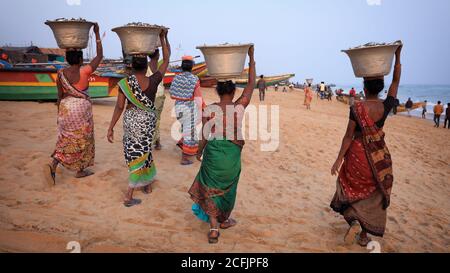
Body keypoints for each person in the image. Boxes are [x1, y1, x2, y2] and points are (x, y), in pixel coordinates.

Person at [330, 44, 402, 247]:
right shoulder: (386, 106)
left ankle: (353, 220)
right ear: (382, 88)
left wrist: (338, 159)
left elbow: (348, 136)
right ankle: (363, 235)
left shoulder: (356, 107)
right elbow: (396, 81)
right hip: (378, 156)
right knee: (373, 195)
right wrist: (397, 56)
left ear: (363, 87)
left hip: (356, 154)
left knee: (347, 186)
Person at [188, 45, 256, 244]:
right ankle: (222, 221)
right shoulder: (239, 106)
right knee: (228, 188)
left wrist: (199, 151)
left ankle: (214, 226)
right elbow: (251, 84)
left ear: (217, 91)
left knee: (210, 187)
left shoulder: (210, 109)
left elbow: (204, 135)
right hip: (232, 157)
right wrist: (251, 58)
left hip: (213, 155)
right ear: (234, 90)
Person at [107, 29, 170, 207]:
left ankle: (148, 184)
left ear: (132, 66)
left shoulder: (124, 84)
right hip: (146, 122)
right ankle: (128, 195)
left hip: (130, 121)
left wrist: (111, 127)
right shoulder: (153, 80)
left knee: (140, 152)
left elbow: (119, 106)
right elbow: (166, 60)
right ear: (145, 66)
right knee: (142, 152)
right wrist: (164, 38)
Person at [44, 23, 103, 186]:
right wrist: (97, 35)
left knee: (65, 139)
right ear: (80, 59)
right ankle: (80, 170)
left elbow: (60, 96)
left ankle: (53, 164)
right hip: (79, 110)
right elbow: (100, 56)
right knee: (83, 139)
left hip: (64, 109)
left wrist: (60, 115)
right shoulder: (84, 71)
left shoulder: (61, 73)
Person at [170, 56, 206, 165]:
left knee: (186, 129)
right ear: (192, 67)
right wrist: (203, 108)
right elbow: (198, 97)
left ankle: (183, 145)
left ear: (182, 66)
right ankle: (185, 158)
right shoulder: (194, 79)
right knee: (190, 132)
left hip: (178, 107)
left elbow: (172, 93)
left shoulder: (176, 78)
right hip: (189, 108)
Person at [146, 49, 166, 150]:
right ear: (157, 55)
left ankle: (156, 141)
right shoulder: (159, 66)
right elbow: (168, 55)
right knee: (155, 120)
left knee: (154, 120)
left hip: (154, 96)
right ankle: (154, 142)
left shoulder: (149, 66)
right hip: (155, 96)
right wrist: (164, 38)